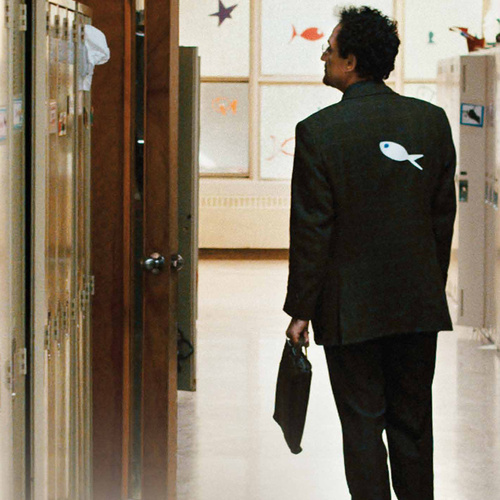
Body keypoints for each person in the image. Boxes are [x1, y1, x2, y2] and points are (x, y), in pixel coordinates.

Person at [284, 6, 456, 500]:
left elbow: (313, 230)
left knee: (361, 427)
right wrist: (429, 283)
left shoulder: (319, 131)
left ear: (351, 61)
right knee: (413, 424)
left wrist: (301, 310)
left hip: (350, 310)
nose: (323, 56)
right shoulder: (431, 122)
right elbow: (441, 219)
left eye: (329, 49)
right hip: (417, 306)